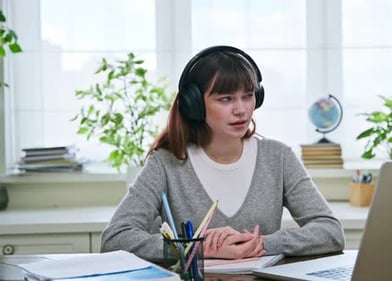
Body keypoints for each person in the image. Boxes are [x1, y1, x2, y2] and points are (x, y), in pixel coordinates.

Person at [100, 45, 345, 262]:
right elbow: (115, 238)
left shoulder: (278, 157)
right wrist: (197, 248)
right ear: (194, 104)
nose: (241, 110)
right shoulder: (166, 163)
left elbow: (330, 231)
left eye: (248, 96)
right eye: (226, 99)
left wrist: (260, 244)